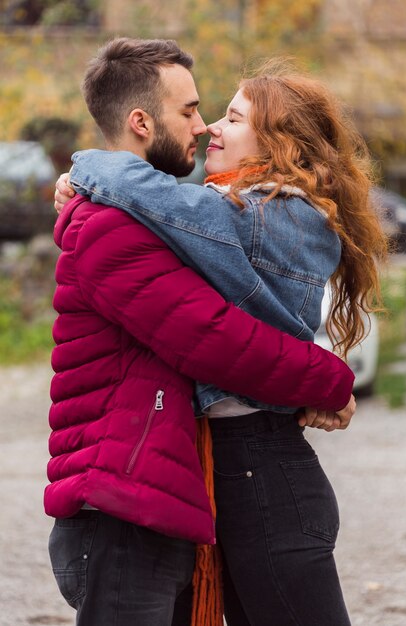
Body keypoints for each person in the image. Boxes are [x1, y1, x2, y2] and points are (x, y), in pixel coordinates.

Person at [56, 42, 388, 626]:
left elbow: (213, 320)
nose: (207, 124)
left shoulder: (268, 214)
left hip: (261, 462)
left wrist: (88, 171)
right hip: (223, 466)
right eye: (194, 111)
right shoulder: (201, 216)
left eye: (231, 118)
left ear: (278, 146)